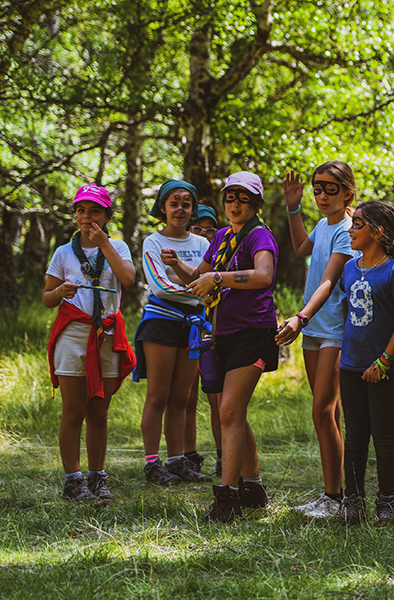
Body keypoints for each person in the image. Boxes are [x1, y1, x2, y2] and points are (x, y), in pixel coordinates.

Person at [277, 201, 394, 523]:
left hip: (384, 369)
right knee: (354, 434)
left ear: (377, 232)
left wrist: (383, 361)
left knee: (382, 436)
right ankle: (352, 502)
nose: (351, 230)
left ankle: (386, 503)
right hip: (351, 364)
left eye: (357, 225)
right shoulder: (350, 269)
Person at [169, 171, 279, 523]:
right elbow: (197, 276)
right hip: (221, 334)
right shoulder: (219, 237)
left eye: (242, 198)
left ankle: (227, 495)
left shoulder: (259, 236)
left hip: (254, 333)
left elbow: (263, 276)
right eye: (229, 198)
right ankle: (253, 486)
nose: (234, 204)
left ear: (255, 203)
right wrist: (178, 266)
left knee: (229, 410)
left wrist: (218, 277)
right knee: (234, 411)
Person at [43, 184, 136, 501]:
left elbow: (128, 279)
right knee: (73, 411)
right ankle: (73, 480)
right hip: (73, 338)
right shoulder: (63, 252)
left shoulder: (118, 247)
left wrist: (104, 244)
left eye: (95, 210)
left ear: (107, 215)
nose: (86, 217)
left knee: (100, 412)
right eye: (81, 210)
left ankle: (98, 477)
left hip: (106, 337)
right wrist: (59, 293)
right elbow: (46, 298)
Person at [282, 162, 359, 519]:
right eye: (318, 188)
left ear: (348, 192)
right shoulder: (323, 224)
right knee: (330, 412)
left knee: (322, 411)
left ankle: (334, 498)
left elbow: (329, 281)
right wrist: (293, 207)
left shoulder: (348, 230)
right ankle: (339, 495)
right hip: (313, 328)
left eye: (330, 188)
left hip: (334, 329)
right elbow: (300, 248)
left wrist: (301, 316)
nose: (323, 195)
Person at [135, 180, 212, 486]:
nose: (180, 209)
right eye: (174, 203)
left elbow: (212, 283)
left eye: (186, 204)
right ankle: (152, 463)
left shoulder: (203, 245)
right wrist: (198, 289)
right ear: (163, 208)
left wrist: (196, 287)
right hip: (161, 323)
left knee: (182, 396)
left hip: (194, 327)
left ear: (193, 209)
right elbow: (158, 286)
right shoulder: (152, 242)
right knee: (158, 395)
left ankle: (178, 460)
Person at [181, 203, 221, 475]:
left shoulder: (223, 251)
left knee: (217, 396)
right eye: (198, 228)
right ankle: (188, 454)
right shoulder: (184, 251)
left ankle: (223, 455)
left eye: (210, 229)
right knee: (186, 395)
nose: (205, 234)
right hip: (185, 323)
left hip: (214, 327)